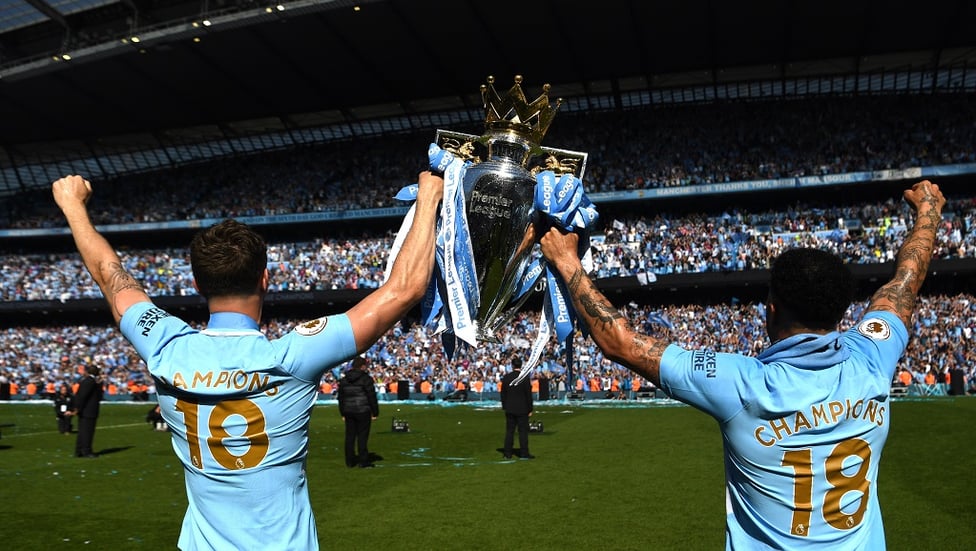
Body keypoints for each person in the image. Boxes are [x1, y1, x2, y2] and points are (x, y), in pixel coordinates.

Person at [539, 180, 945, 549]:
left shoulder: (742, 384)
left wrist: (566, 259)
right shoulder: (874, 355)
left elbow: (620, 342)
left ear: (770, 311)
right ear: (842, 312)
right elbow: (905, 280)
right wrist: (928, 210)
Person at [53, 171, 442, 550]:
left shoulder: (164, 345)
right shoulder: (292, 357)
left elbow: (111, 276)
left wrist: (73, 207)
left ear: (197, 284)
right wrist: (428, 198)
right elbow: (404, 289)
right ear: (266, 280)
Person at [337, 356, 379, 468]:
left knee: (350, 436)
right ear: (363, 366)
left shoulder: (344, 380)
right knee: (362, 436)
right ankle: (363, 461)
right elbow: (371, 396)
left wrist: (342, 412)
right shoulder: (366, 379)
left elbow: (341, 398)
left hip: (349, 410)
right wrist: (375, 412)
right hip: (363, 410)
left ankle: (349, 461)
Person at [500, 356, 534, 460]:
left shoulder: (506, 378)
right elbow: (528, 394)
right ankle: (524, 453)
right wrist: (530, 408)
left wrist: (505, 406)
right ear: (521, 365)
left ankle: (507, 453)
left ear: (512, 365)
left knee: (509, 431)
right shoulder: (524, 378)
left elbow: (503, 394)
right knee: (523, 432)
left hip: (510, 408)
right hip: (522, 408)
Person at [72, 364, 102, 457]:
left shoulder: (86, 381)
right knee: (87, 432)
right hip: (88, 411)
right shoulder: (91, 382)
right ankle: (86, 451)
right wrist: (78, 408)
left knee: (82, 431)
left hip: (85, 410)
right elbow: (83, 396)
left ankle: (79, 450)